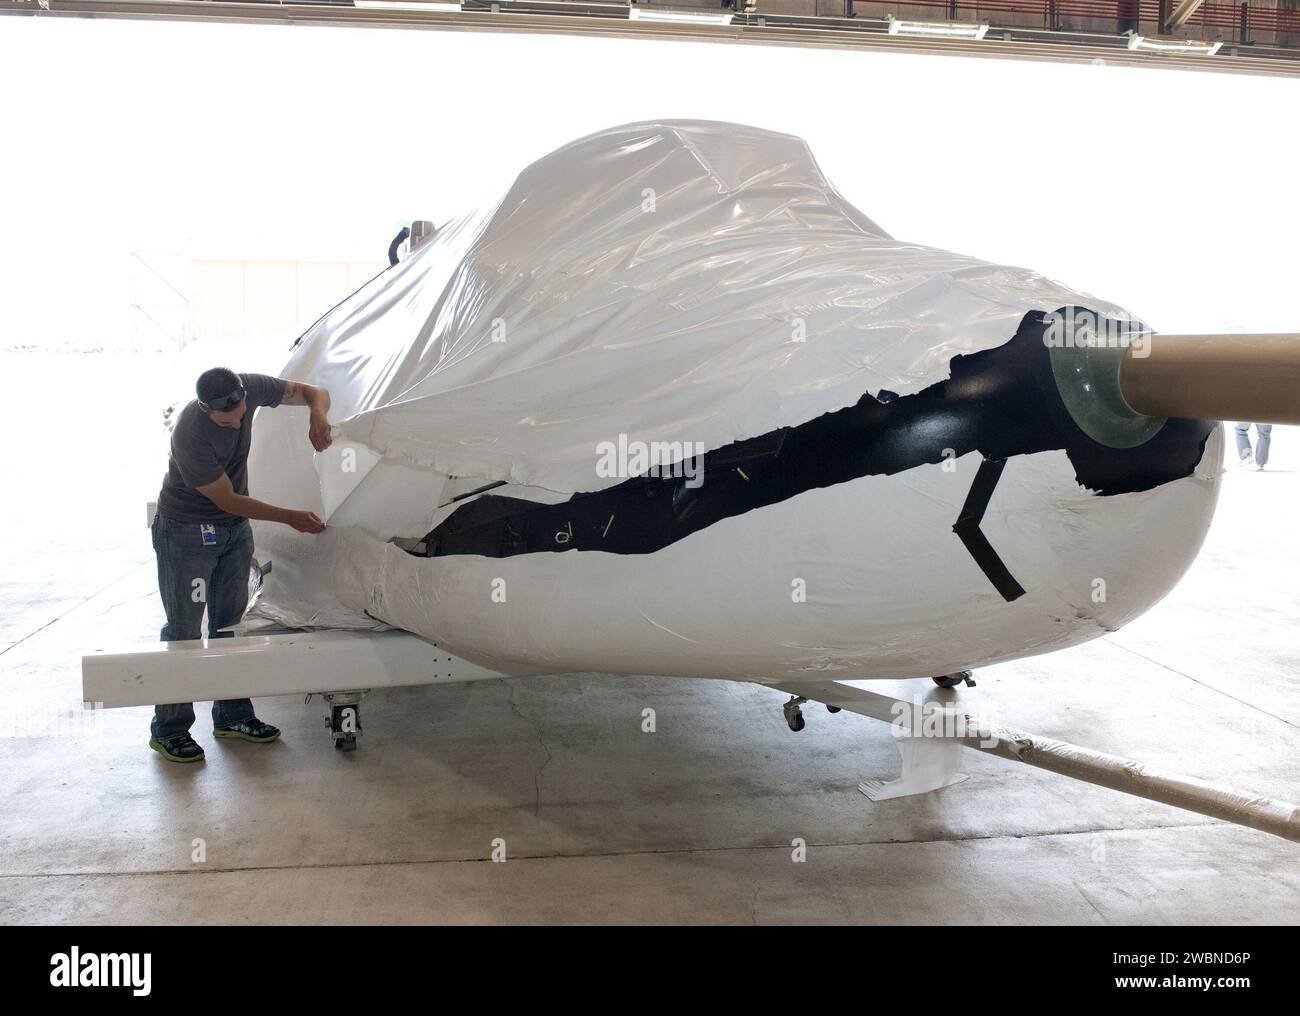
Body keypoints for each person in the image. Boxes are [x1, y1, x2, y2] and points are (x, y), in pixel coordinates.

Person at [149, 367, 332, 763]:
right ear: (205, 409)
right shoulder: (190, 434)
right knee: (184, 627)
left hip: (233, 530)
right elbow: (228, 500)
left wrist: (317, 415)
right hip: (187, 530)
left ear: (242, 394)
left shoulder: (249, 387)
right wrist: (290, 517)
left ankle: (233, 715)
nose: (235, 422)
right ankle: (170, 728)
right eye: (224, 420)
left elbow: (314, 391)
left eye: (239, 413)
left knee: (230, 623)